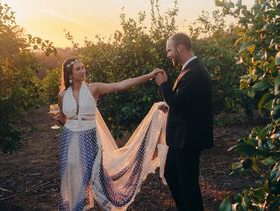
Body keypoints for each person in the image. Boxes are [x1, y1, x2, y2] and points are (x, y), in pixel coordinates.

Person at [57, 57, 168, 211]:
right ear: (69, 73)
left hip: (89, 139)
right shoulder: (62, 96)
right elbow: (63, 118)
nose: (83, 71)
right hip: (70, 141)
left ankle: (108, 208)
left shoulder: (93, 89)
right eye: (78, 69)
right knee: (75, 182)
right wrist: (59, 120)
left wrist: (149, 75)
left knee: (97, 180)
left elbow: (121, 85)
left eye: (83, 67)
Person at [155, 32, 214, 211]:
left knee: (188, 184)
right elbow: (185, 103)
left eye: (169, 50)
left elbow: (178, 102)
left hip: (188, 139)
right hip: (181, 138)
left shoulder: (195, 72)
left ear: (180, 48)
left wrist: (163, 85)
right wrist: (170, 106)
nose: (168, 55)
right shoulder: (190, 70)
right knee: (172, 174)